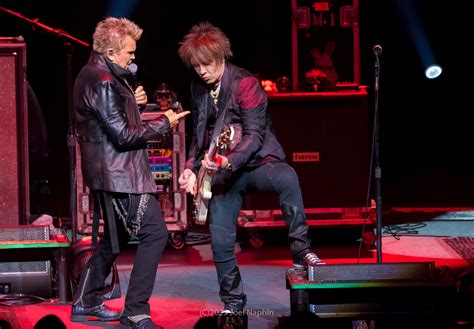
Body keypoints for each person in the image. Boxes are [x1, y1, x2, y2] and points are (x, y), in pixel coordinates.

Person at [177, 22, 324, 316]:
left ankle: (301, 249)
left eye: (206, 64)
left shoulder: (245, 84)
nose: (202, 71)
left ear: (221, 57)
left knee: (287, 177)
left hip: (255, 163)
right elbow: (200, 133)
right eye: (196, 66)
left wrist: (229, 160)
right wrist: (191, 168)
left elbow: (255, 134)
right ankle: (233, 304)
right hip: (222, 173)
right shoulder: (198, 87)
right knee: (220, 239)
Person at [70, 17, 189, 329]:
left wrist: (132, 99)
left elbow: (113, 119)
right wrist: (165, 122)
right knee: (155, 234)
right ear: (111, 52)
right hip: (119, 174)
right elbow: (123, 135)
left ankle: (86, 301)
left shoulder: (99, 75)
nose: (134, 59)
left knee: (113, 240)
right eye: (130, 53)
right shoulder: (104, 81)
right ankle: (136, 311)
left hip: (109, 171)